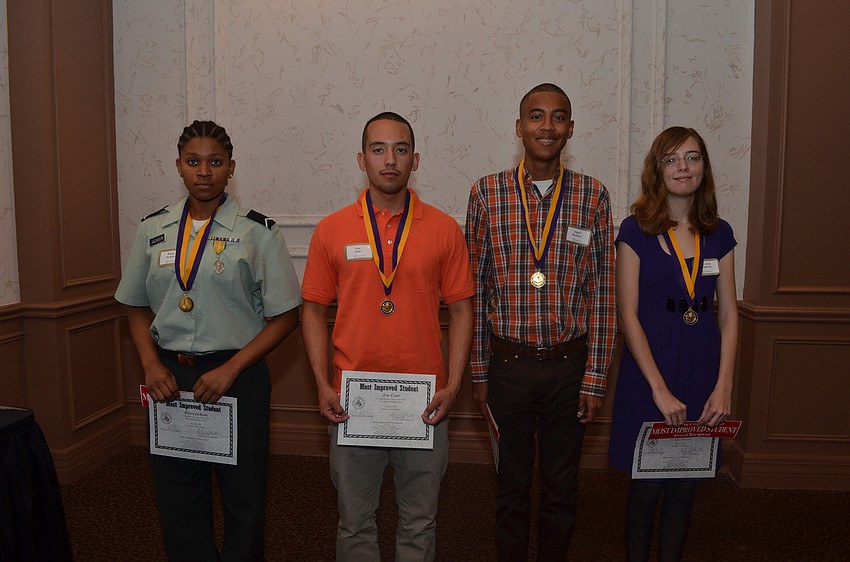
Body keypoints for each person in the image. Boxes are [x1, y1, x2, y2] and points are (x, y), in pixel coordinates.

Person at [115, 120, 301, 561]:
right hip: (169, 378)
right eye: (193, 162)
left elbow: (286, 317)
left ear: (230, 168)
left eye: (215, 162)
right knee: (178, 495)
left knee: (243, 496)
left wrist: (232, 369)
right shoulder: (152, 229)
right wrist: (150, 364)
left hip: (238, 376)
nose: (204, 171)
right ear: (178, 167)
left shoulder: (259, 232)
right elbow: (135, 305)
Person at [301, 111, 474, 562]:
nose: (390, 159)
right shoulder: (331, 229)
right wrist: (322, 383)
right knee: (355, 522)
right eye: (378, 149)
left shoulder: (444, 230)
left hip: (423, 401)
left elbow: (461, 311)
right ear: (362, 159)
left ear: (416, 160)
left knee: (419, 522)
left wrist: (453, 385)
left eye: (400, 149)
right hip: (353, 399)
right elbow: (313, 310)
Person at [465, 83, 617, 560]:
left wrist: (594, 380)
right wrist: (479, 369)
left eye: (557, 117)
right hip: (507, 363)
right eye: (536, 116)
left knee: (561, 489)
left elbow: (604, 294)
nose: (546, 127)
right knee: (510, 487)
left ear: (570, 129)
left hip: (569, 368)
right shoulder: (487, 193)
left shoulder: (593, 195)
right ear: (519, 127)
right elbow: (475, 288)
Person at [608, 126, 738, 561]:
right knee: (646, 489)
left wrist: (724, 385)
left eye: (693, 157)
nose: (683, 167)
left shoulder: (719, 234)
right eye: (672, 159)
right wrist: (658, 389)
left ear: (704, 167)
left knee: (685, 487)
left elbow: (729, 314)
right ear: (657, 169)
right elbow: (628, 315)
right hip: (650, 377)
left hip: (702, 372)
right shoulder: (634, 231)